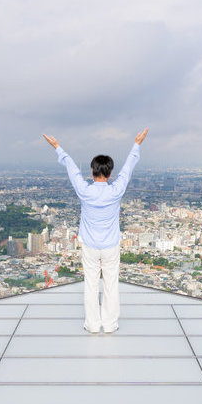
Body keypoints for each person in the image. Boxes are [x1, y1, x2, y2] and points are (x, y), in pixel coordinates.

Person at [43, 128, 148, 334]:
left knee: (91, 285)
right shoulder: (116, 190)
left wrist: (57, 147)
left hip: (90, 246)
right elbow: (128, 168)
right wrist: (137, 143)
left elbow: (72, 169)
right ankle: (109, 324)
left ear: (92, 172)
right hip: (110, 246)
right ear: (110, 174)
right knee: (111, 285)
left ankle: (92, 324)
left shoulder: (85, 191)